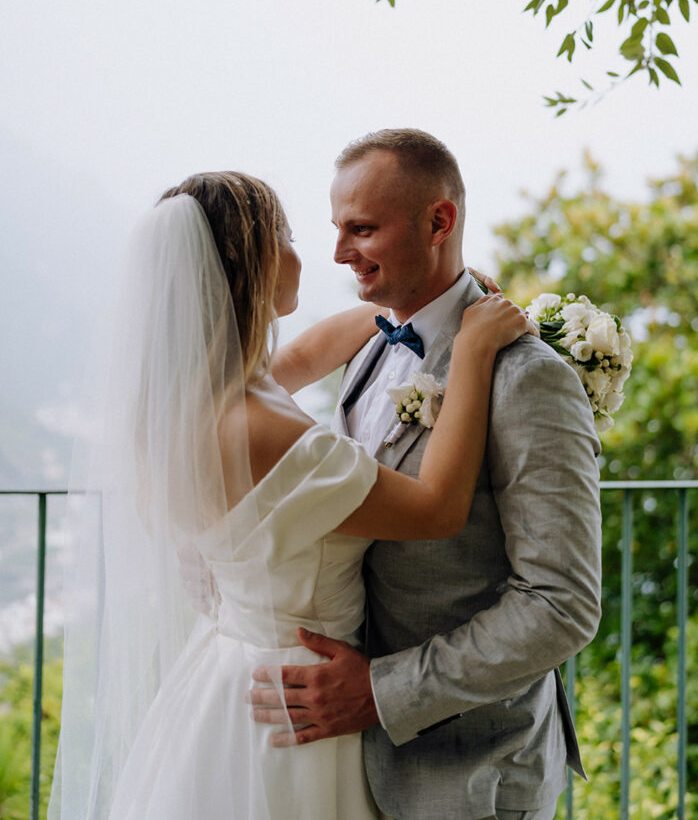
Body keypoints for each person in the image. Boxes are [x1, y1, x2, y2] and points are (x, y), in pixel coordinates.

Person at [49, 170, 536, 820]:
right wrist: (472, 348)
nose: (311, 252)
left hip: (230, 668)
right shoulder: (258, 427)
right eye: (288, 234)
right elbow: (435, 509)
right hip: (296, 703)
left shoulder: (197, 400)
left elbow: (307, 352)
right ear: (250, 261)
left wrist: (431, 301)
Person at [247, 130, 603, 820]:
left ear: (438, 221)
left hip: (470, 772)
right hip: (347, 760)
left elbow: (562, 603)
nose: (340, 252)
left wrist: (382, 691)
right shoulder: (373, 343)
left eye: (363, 228)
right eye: (337, 227)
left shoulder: (527, 380)